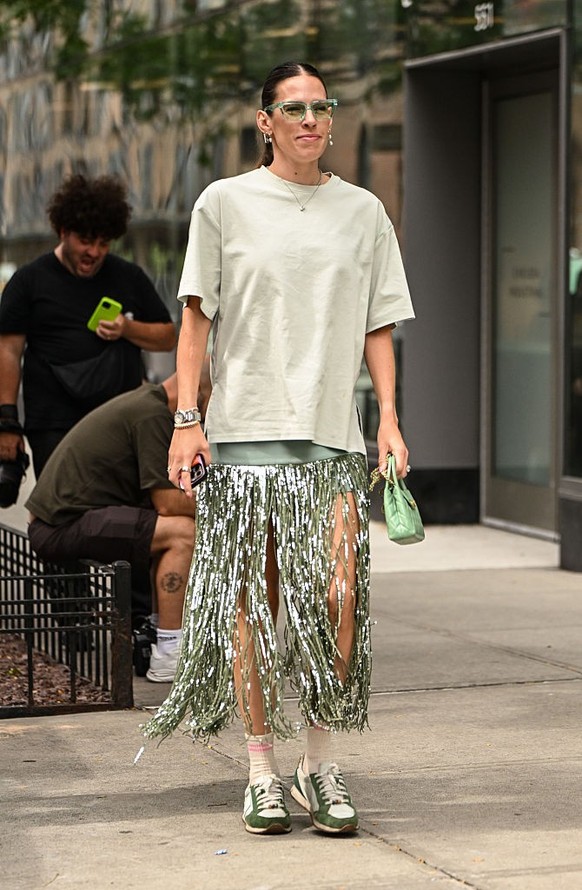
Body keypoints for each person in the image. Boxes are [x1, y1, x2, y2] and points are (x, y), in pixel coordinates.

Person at [143, 61, 415, 835]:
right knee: (256, 612)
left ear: (332, 120)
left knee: (334, 601)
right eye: (292, 108)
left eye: (321, 107)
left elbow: (377, 326)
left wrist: (389, 418)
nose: (309, 120)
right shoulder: (223, 203)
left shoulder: (363, 212)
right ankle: (262, 768)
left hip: (332, 437)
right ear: (265, 120)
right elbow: (195, 320)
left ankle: (319, 761)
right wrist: (187, 418)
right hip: (244, 440)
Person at [25, 370, 209, 683]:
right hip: (60, 525)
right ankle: (169, 653)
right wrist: (231, 507)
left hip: (61, 520)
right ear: (201, 393)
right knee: (182, 532)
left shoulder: (147, 402)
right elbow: (167, 503)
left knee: (169, 530)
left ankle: (156, 631)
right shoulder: (153, 415)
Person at [0, 174, 176, 480]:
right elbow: (8, 352)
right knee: (60, 514)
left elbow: (167, 336)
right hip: (53, 424)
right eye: (85, 240)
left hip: (118, 421)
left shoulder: (128, 277)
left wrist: (127, 329)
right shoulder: (29, 281)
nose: (94, 252)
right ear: (63, 231)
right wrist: (7, 423)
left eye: (103, 243)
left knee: (118, 513)